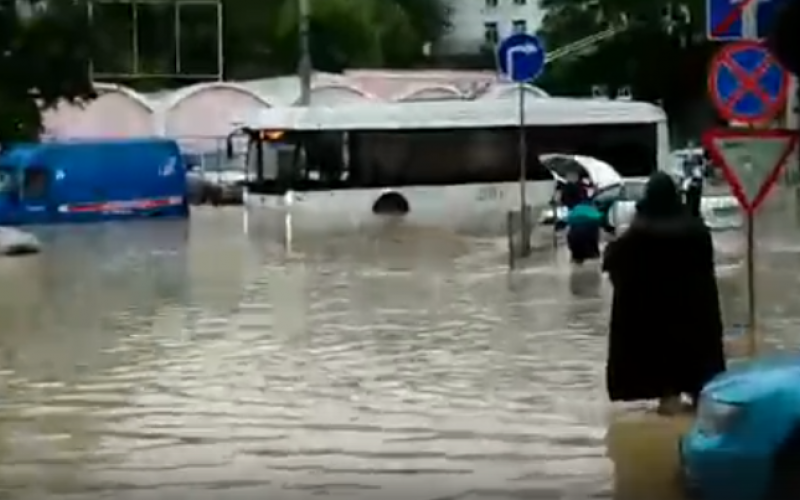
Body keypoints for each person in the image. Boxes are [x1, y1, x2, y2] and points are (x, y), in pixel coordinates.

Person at [602, 172, 725, 414]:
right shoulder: (694, 229)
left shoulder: (639, 233)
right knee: (700, 386)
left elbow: (613, 262)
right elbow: (707, 267)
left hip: (653, 321)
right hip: (693, 319)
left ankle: (669, 408)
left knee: (666, 388)